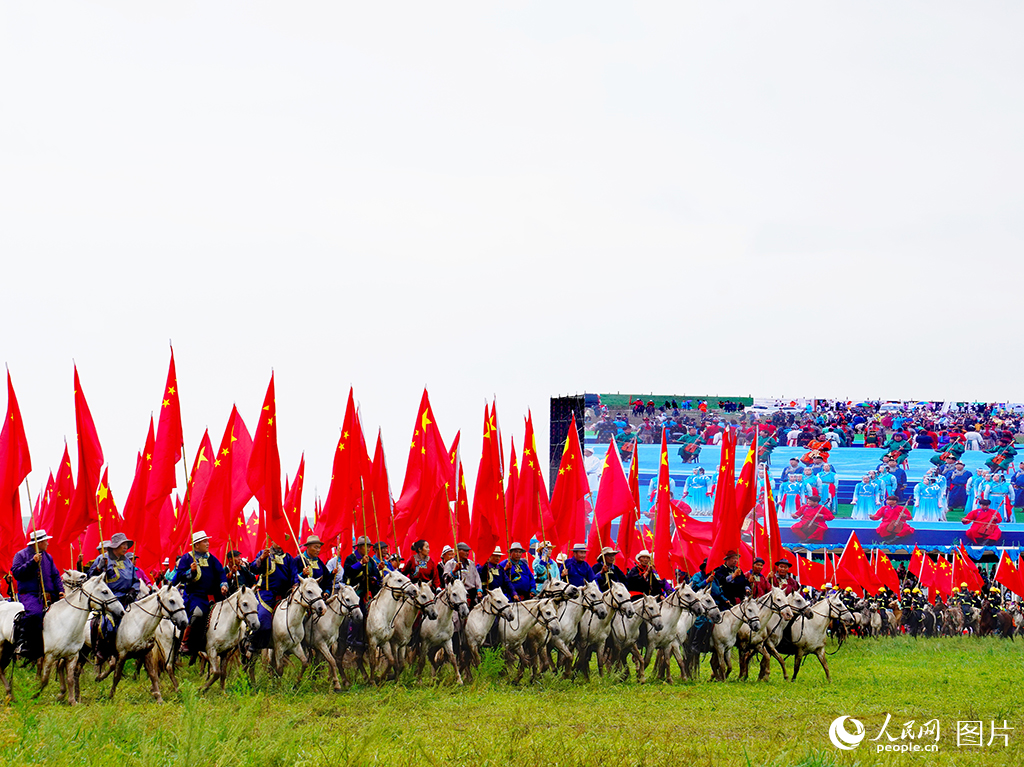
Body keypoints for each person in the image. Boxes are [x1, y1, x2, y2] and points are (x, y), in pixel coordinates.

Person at [172, 530, 228, 655]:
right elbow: (180, 576)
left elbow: (221, 573)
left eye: (207, 541)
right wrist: (190, 572)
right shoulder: (187, 558)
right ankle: (185, 642)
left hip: (213, 596)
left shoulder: (211, 559)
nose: (208, 543)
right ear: (196, 545)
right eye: (204, 541)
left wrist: (223, 585)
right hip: (195, 596)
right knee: (197, 615)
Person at [10, 529, 63, 661]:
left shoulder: (48, 557)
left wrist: (60, 591)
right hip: (30, 594)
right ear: (38, 543)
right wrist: (32, 563)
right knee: (35, 614)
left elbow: (55, 575)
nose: (48, 543)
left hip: (49, 594)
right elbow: (17, 573)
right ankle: (24, 642)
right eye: (45, 541)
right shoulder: (20, 555)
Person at [249, 543, 299, 650]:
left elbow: (294, 574)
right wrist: (262, 558)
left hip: (285, 594)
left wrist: (295, 585)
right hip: (266, 593)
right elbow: (253, 568)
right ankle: (254, 641)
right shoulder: (264, 553)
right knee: (263, 620)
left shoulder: (288, 558)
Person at [344, 536, 382, 605]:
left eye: (369, 547)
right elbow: (348, 572)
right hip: (355, 592)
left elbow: (376, 573)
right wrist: (361, 563)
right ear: (359, 547)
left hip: (369, 592)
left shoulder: (370, 560)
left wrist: (374, 578)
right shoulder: (350, 558)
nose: (368, 549)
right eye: (366, 547)